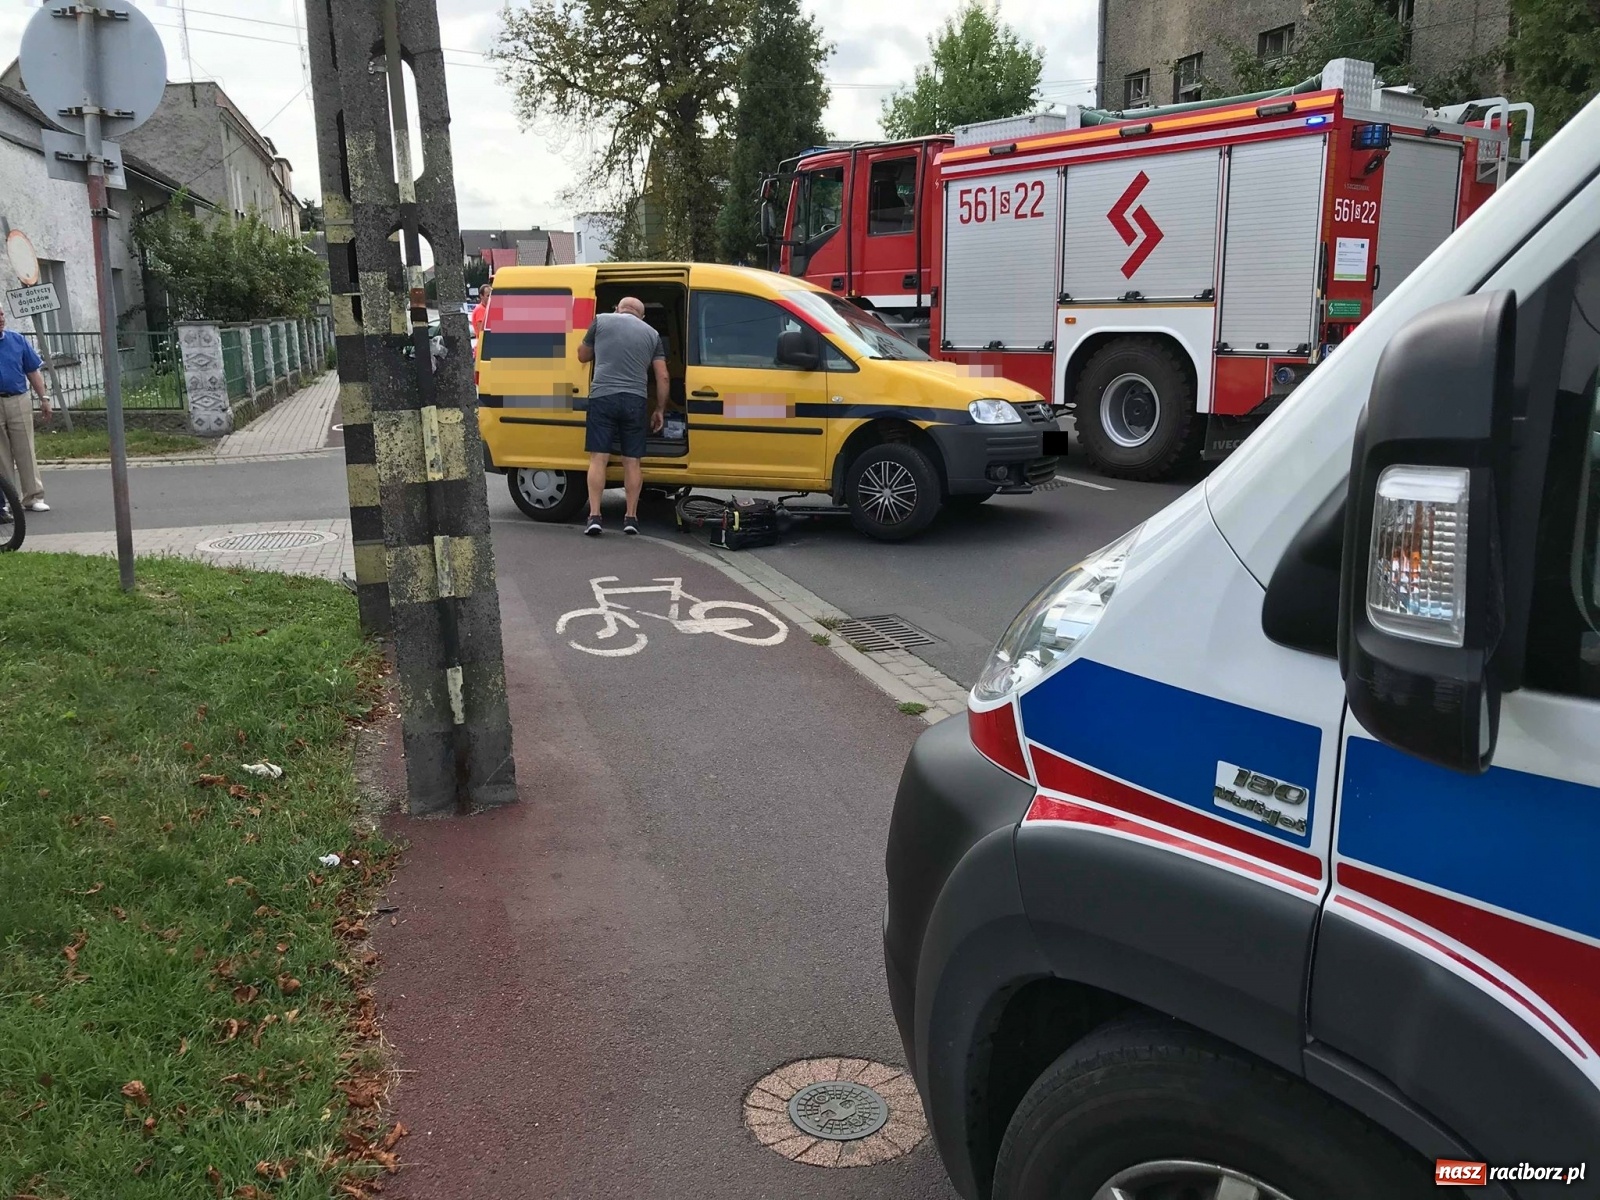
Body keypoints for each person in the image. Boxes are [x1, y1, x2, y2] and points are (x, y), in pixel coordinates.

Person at [576, 296, 667, 536]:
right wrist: (659, 409)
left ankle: (595, 516)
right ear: (642, 316)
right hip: (635, 400)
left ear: (617, 308)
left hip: (603, 397)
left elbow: (583, 355)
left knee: (598, 458)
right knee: (632, 461)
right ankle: (631, 518)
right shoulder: (652, 334)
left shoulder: (601, 320)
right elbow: (663, 376)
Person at [0, 308, 51, 520]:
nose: (1, 320)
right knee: (1, 455)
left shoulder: (16, 340)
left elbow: (32, 370)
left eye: (1, 315)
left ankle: (33, 497)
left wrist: (44, 398)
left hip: (17, 399)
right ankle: (6, 501)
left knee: (26, 449)